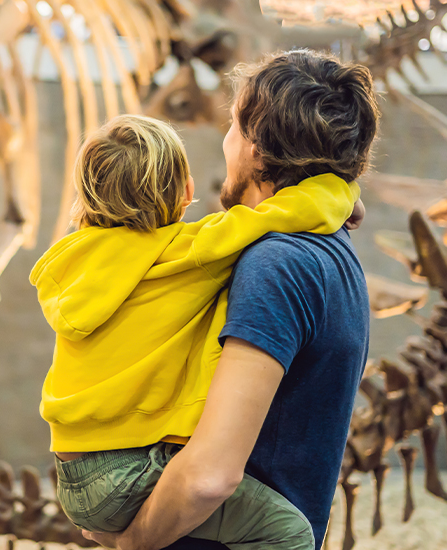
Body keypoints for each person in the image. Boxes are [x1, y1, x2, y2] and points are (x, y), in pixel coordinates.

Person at [80, 50, 378, 550]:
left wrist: (130, 542)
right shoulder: (330, 249)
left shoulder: (278, 265)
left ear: (258, 148)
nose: (225, 143)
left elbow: (209, 477)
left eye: (234, 128)